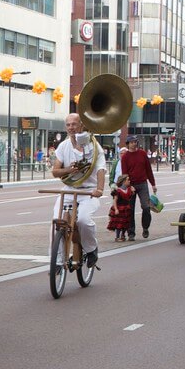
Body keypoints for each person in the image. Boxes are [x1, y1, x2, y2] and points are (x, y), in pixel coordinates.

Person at [50, 113, 106, 267]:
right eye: (68, 125)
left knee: (83, 220)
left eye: (74, 124)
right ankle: (57, 262)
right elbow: (55, 172)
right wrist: (69, 170)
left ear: (81, 125)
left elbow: (101, 169)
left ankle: (91, 249)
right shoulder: (63, 146)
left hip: (89, 190)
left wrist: (100, 189)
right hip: (69, 189)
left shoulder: (94, 146)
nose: (71, 128)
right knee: (56, 223)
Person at [118, 135, 156, 239]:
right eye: (132, 142)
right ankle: (131, 233)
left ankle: (145, 227)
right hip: (131, 185)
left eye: (135, 142)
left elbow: (148, 170)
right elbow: (125, 174)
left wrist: (153, 184)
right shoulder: (125, 157)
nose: (134, 144)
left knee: (146, 207)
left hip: (143, 184)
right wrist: (129, 186)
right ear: (128, 144)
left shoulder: (142, 154)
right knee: (130, 209)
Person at [108, 174, 135, 241]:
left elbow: (129, 197)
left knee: (125, 223)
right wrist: (116, 209)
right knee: (119, 223)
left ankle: (123, 235)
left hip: (126, 208)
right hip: (120, 208)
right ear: (123, 182)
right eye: (128, 180)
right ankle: (117, 236)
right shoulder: (118, 191)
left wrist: (133, 191)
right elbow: (115, 200)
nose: (129, 181)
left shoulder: (129, 189)